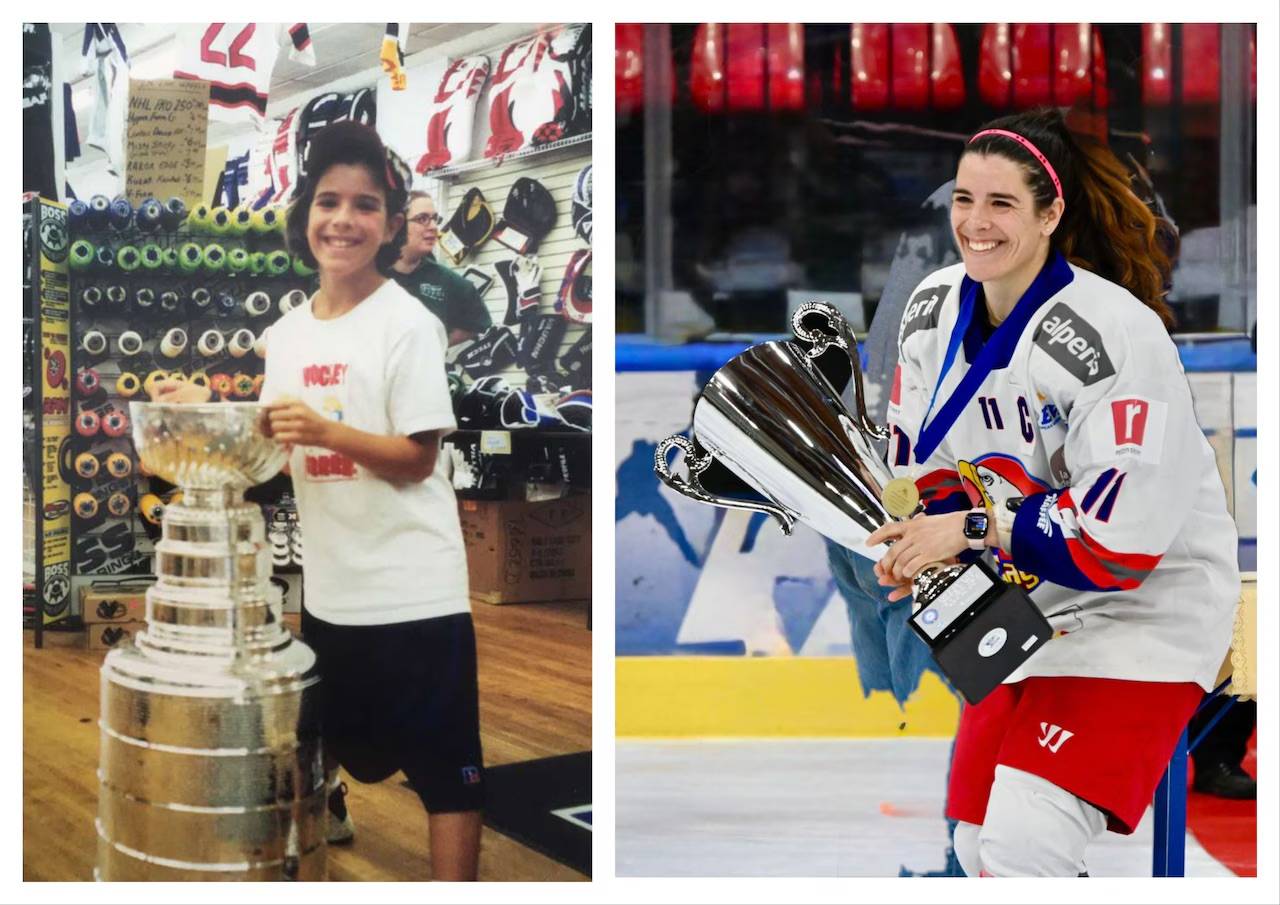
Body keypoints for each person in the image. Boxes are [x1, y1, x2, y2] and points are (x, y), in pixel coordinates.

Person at [864, 108, 1238, 877]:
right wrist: (918, 545)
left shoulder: (1110, 334)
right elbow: (925, 466)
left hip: (1141, 614)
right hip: (1027, 612)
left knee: (1019, 848)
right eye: (965, 199)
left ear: (1050, 213)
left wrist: (967, 528)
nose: (976, 222)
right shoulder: (931, 309)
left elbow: (1120, 544)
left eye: (1002, 203)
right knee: (974, 847)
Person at [155, 121, 484, 881]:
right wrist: (207, 406)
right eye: (329, 201)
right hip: (333, 595)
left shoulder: (410, 323)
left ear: (391, 223)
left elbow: (418, 456)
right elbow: (269, 451)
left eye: (365, 205)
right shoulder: (289, 334)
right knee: (311, 761)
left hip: (417, 597)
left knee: (447, 777)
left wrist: (329, 426)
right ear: (306, 215)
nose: (344, 219)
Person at [391, 191, 492, 346]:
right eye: (422, 219)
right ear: (398, 224)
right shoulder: (367, 274)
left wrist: (436, 346)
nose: (433, 227)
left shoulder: (447, 280)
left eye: (434, 219)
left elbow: (476, 323)